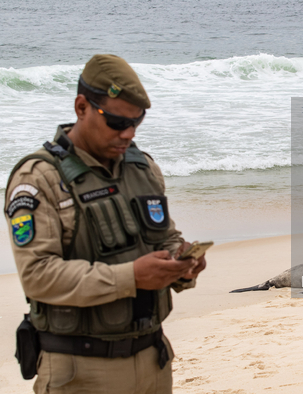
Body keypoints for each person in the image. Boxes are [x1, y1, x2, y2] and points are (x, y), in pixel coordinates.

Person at [5, 54, 206, 393]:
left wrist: (183, 261)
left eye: (136, 122)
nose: (127, 134)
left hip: (153, 360)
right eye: (115, 122)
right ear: (81, 107)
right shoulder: (41, 179)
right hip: (81, 371)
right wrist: (130, 277)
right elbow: (37, 275)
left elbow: (165, 236)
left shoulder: (142, 168)